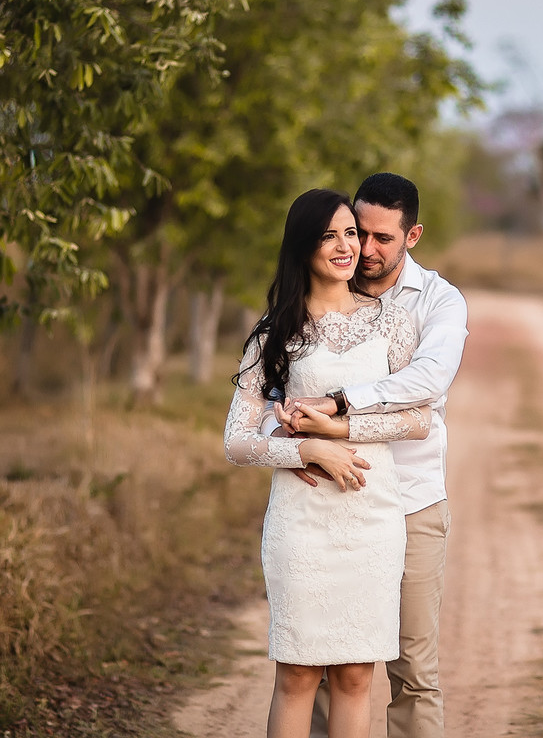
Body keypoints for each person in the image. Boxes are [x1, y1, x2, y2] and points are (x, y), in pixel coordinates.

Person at [223, 188, 433, 738]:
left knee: (357, 675)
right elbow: (235, 440)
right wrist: (305, 451)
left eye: (351, 233)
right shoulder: (275, 333)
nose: (346, 247)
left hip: (371, 516)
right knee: (296, 674)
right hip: (303, 520)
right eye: (329, 235)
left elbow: (419, 420)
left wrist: (342, 429)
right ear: (303, 246)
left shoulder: (389, 323)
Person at [269, 173, 468, 738]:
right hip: (327, 504)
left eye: (383, 238)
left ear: (414, 236)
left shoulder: (436, 302)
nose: (366, 250)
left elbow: (428, 384)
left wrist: (338, 408)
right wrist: (295, 437)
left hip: (410, 499)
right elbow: (270, 399)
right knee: (326, 663)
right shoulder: (318, 293)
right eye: (360, 232)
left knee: (411, 667)